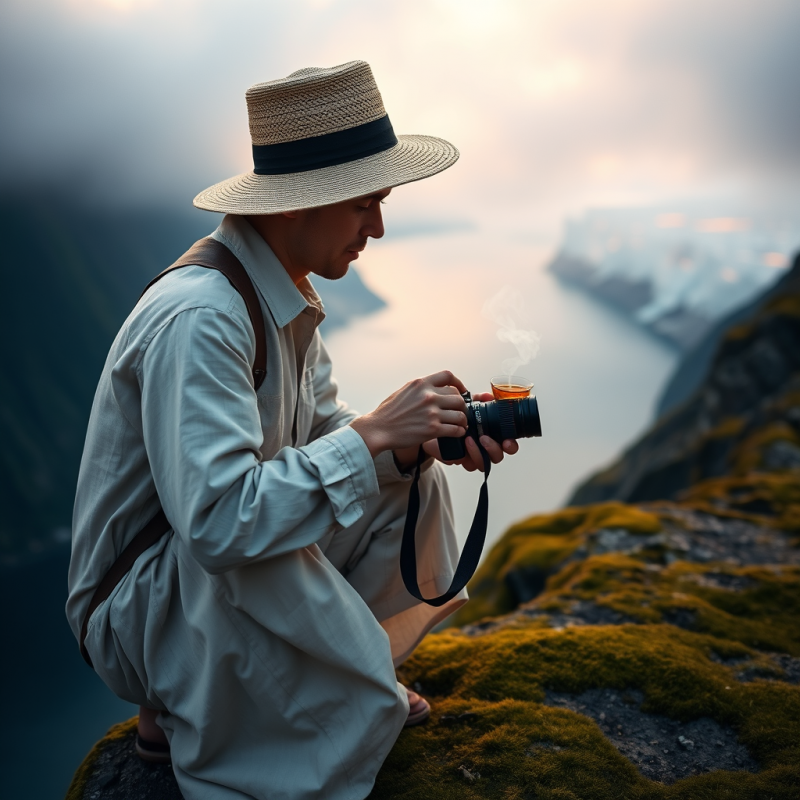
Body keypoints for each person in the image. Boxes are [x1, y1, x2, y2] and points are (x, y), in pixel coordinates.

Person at [66, 60, 517, 800]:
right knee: (262, 545)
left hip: (180, 580)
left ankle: (245, 701)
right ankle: (234, 710)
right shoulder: (203, 317)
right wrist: (372, 436)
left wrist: (409, 443)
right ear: (294, 206)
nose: (378, 225)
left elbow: (325, 435)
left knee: (409, 484)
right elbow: (217, 524)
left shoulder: (282, 293)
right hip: (134, 612)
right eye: (365, 203)